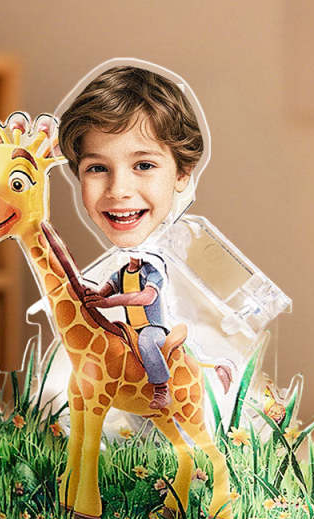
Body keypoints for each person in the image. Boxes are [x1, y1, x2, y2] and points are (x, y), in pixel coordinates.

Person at [58, 65, 205, 408]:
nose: (118, 190)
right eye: (97, 168)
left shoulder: (172, 264)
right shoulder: (120, 268)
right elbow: (109, 286)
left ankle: (160, 386)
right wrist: (97, 295)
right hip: (123, 333)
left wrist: (111, 303)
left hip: (150, 329)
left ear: (182, 172)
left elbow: (144, 296)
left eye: (143, 165)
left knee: (149, 344)